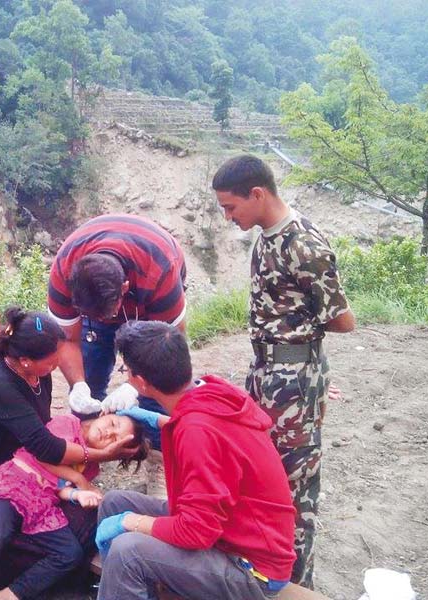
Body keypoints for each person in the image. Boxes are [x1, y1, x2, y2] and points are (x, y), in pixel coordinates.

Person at [212, 155, 355, 587]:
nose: (227, 216)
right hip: (266, 373)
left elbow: (342, 320)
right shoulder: (266, 236)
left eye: (231, 207)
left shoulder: (305, 245)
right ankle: (263, 575)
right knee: (259, 475)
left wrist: (297, 344)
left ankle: (296, 587)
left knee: (291, 486)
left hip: (293, 380)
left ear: (257, 194)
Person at [95, 321, 297, 600]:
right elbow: (212, 437)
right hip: (229, 530)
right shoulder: (212, 389)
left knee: (127, 551)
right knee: (114, 502)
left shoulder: (196, 432)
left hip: (251, 570)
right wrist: (159, 421)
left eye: (126, 371)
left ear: (141, 382)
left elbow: (196, 532)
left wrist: (132, 522)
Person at [0, 308, 138, 594]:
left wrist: (76, 486)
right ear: (24, 361)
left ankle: (9, 589)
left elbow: (46, 439)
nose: (57, 364)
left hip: (39, 483)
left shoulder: (38, 375)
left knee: (83, 529)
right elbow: (43, 446)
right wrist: (100, 457)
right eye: (52, 361)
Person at [0, 412, 147, 600]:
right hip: (13, 486)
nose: (108, 433)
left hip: (40, 504)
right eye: (113, 424)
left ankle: (11, 593)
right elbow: (43, 454)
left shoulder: (91, 467)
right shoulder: (68, 423)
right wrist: (78, 478)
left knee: (70, 554)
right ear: (104, 414)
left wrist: (79, 494)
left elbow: (59, 488)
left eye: (114, 441)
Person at [47, 213, 188, 448]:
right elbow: (68, 341)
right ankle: (88, 451)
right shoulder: (63, 271)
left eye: (107, 314)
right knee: (90, 370)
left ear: (124, 288)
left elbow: (170, 345)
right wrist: (79, 384)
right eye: (92, 315)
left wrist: (133, 386)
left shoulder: (159, 272)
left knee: (154, 384)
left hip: (150, 291)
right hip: (112, 287)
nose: (103, 320)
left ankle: (154, 449)